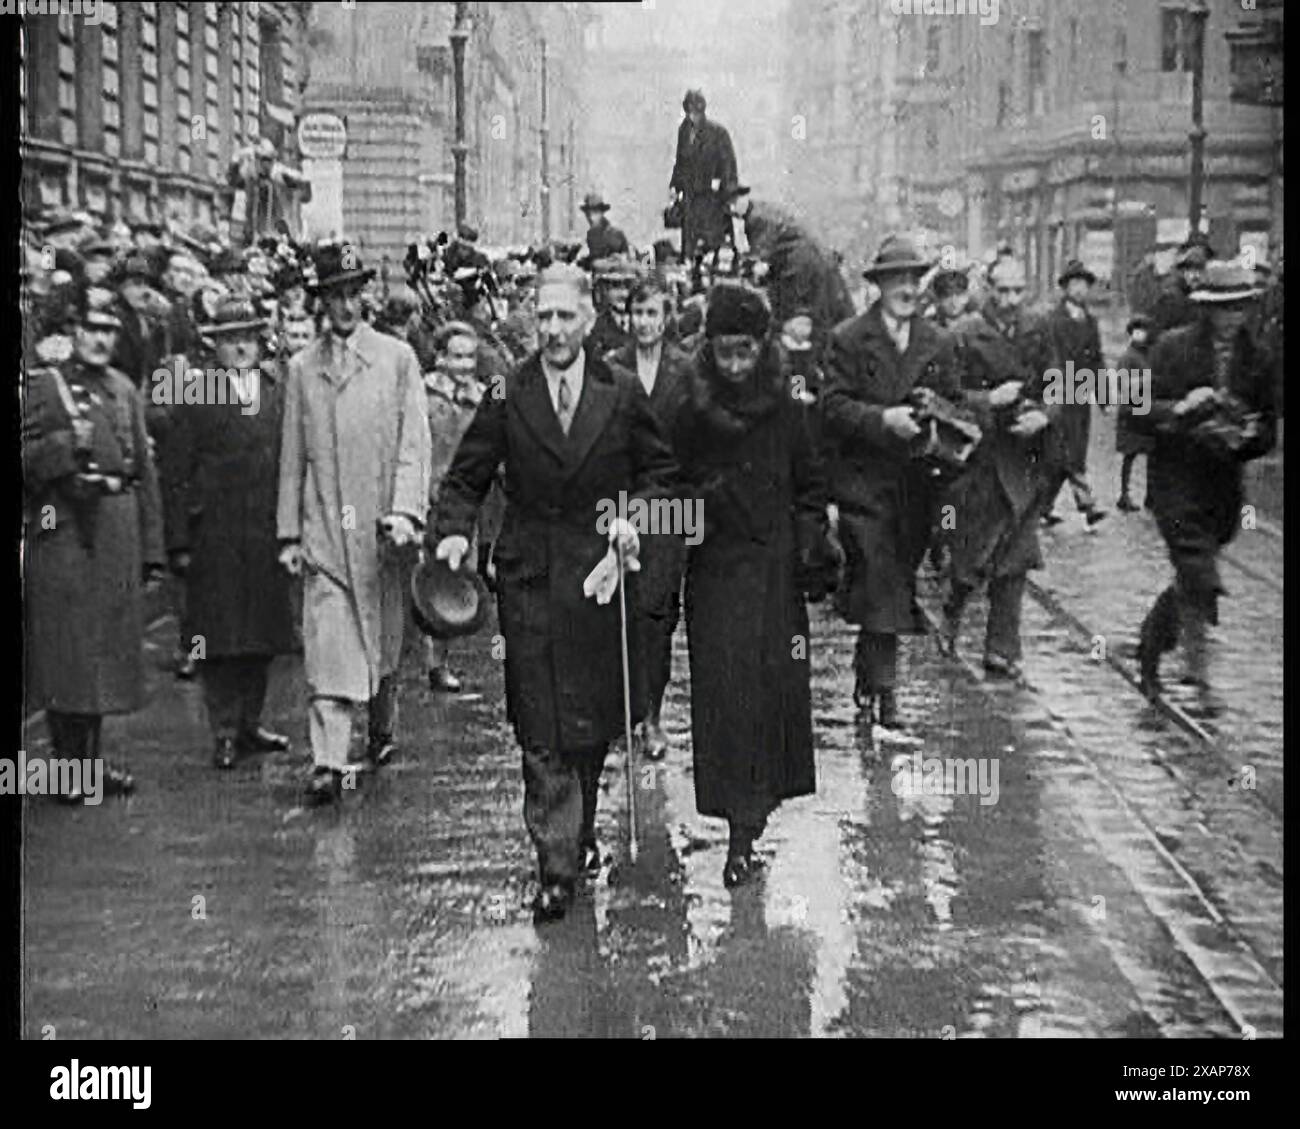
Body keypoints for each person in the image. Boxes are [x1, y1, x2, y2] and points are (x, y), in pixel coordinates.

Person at [430, 263, 677, 922]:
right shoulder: (506, 393)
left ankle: (581, 827)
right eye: (544, 317)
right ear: (530, 321)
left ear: (591, 321)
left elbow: (661, 475)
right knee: (540, 724)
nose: (555, 329)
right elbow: (464, 478)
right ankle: (556, 865)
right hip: (530, 577)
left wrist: (636, 518)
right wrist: (454, 533)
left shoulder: (620, 391)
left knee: (589, 725)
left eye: (567, 316)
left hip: (598, 579)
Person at [671, 282, 830, 886]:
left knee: (771, 696)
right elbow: (665, 482)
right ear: (708, 348)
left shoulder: (788, 404)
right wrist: (698, 504)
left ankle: (754, 816)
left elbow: (812, 482)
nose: (735, 366)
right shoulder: (689, 407)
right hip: (714, 574)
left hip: (775, 575)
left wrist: (812, 538)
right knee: (725, 697)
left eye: (745, 351)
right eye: (723, 352)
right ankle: (737, 827)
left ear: (763, 347)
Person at [276, 244, 432, 806]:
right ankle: (328, 762)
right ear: (320, 302)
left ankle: (383, 726)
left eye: (352, 292)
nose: (345, 305)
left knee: (383, 645)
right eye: (333, 295)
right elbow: (293, 457)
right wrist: (290, 535)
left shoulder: (396, 360)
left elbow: (415, 444)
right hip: (324, 536)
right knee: (329, 647)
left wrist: (407, 512)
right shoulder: (301, 370)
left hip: (380, 534)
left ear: (364, 295)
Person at [23, 284, 166, 800]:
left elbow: (143, 472)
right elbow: (28, 460)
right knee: (70, 656)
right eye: (91, 329)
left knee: (106, 654)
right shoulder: (47, 386)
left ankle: (93, 764)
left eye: (109, 330)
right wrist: (66, 445)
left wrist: (153, 548)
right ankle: (68, 770)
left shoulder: (125, 388)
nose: (100, 340)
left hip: (117, 532)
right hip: (66, 533)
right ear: (71, 332)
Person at [822, 235, 960, 726]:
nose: (906, 287)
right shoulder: (848, 339)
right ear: (878, 286)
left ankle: (868, 670)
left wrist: (935, 414)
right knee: (882, 582)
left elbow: (955, 405)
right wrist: (883, 420)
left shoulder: (938, 342)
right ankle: (887, 696)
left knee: (893, 582)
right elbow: (833, 407)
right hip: (864, 487)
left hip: (916, 487)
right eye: (895, 279)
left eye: (912, 279)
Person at [1131, 261, 1277, 708]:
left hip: (1220, 486)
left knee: (1194, 576)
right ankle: (1196, 675)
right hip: (1175, 479)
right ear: (1206, 309)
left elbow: (1269, 427)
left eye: (1240, 308)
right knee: (1199, 572)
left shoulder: (1261, 357)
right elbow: (1136, 407)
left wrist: (1249, 436)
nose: (1233, 318)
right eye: (1223, 308)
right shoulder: (1173, 348)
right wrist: (1180, 408)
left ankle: (1152, 644)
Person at [161, 296, 296, 768]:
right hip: (214, 533)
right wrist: (178, 541)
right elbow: (174, 473)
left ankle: (251, 723)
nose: (240, 347)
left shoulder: (276, 391)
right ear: (213, 346)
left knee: (261, 634)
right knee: (217, 638)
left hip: (264, 529)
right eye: (229, 339)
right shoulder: (195, 395)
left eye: (247, 338)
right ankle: (222, 729)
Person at [940, 256, 1053, 678]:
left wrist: (1045, 414)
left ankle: (1001, 649)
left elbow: (1061, 381)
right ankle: (953, 606)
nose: (1010, 300)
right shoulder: (963, 335)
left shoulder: (1038, 329)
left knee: (1018, 557)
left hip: (1025, 455)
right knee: (974, 554)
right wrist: (988, 401)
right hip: (980, 459)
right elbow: (942, 397)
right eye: (1002, 291)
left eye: (1017, 291)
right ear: (986, 289)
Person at [604, 277, 693, 761]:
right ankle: (622, 714)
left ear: (666, 317)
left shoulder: (686, 369)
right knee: (619, 612)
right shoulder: (611, 368)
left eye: (653, 314)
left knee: (658, 614)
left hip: (670, 507)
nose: (644, 323)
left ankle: (653, 716)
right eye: (637, 313)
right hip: (618, 505)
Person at [422, 320, 487, 693]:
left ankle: (439, 662)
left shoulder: (484, 400)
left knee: (453, 582)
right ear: (441, 358)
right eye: (457, 357)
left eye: (470, 357)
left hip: (464, 510)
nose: (464, 365)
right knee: (419, 579)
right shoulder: (423, 393)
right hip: (424, 501)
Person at [729, 189, 856, 363]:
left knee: (800, 338)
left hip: (804, 279)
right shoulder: (766, 215)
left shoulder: (761, 219)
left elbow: (759, 260)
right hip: (815, 277)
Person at [1038, 259, 1107, 528]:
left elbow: (1097, 360)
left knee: (1070, 454)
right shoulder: (1052, 321)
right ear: (1065, 288)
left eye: (1084, 285)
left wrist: (1102, 396)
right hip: (1059, 394)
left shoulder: (1090, 321)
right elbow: (1047, 358)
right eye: (1074, 284)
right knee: (1064, 453)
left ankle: (1042, 507)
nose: (1079, 290)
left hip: (1081, 395)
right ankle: (1087, 505)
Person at [669, 89, 739, 264]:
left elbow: (728, 165)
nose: (692, 116)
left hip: (711, 198)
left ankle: (712, 268)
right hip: (690, 197)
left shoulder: (717, 133)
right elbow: (680, 161)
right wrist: (674, 185)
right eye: (689, 112)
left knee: (711, 241)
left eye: (696, 112)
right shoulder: (684, 131)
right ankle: (689, 266)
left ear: (702, 111)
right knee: (690, 240)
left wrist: (727, 194)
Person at [1115, 314, 1155, 512]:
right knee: (1129, 454)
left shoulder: (1149, 355)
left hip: (1146, 409)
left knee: (1151, 453)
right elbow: (1123, 385)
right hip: (1130, 409)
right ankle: (1124, 494)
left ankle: (1151, 496)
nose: (1140, 335)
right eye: (1136, 331)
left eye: (1144, 331)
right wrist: (1144, 381)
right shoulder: (1127, 357)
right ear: (1131, 333)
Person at [1152, 242, 1208, 335]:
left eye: (1200, 268)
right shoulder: (1172, 298)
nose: (1196, 274)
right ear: (1181, 271)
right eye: (1190, 268)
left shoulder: (1209, 296)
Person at [579, 192, 630, 263]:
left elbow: (626, 257)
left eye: (595, 212)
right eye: (588, 213)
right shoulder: (590, 235)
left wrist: (618, 258)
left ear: (602, 213)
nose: (591, 217)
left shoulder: (615, 232)